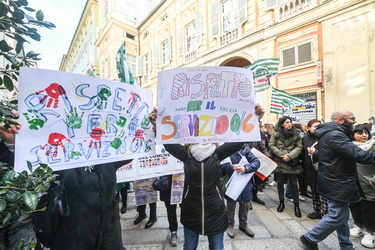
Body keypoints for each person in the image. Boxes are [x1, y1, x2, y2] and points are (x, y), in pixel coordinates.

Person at [149, 104, 264, 250]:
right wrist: (158, 125)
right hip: (191, 210)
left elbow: (239, 141)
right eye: (198, 129)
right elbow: (168, 143)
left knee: (217, 248)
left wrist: (254, 120)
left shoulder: (218, 154)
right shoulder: (186, 155)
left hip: (215, 211)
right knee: (189, 248)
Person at [300, 110, 375, 250]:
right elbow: (358, 155)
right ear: (341, 120)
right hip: (337, 181)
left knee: (342, 215)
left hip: (336, 180)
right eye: (352, 118)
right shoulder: (335, 135)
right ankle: (310, 238)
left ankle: (346, 245)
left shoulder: (334, 133)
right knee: (337, 216)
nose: (354, 121)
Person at [220, 144, 260, 238]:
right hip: (231, 180)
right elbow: (220, 165)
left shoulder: (245, 149)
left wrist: (245, 168)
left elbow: (256, 162)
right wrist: (231, 167)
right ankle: (230, 225)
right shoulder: (226, 149)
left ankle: (243, 225)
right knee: (231, 205)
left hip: (245, 181)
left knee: (245, 204)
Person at [269, 116, 303, 218]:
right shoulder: (276, 134)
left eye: (290, 122)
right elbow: (271, 145)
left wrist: (289, 156)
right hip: (280, 162)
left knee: (293, 184)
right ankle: (281, 202)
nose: (290, 124)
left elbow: (299, 146)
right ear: (282, 124)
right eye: (287, 122)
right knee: (280, 183)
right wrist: (281, 154)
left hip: (292, 162)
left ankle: (296, 205)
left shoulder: (296, 134)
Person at [349, 124, 375, 248]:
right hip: (353, 182)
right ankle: (359, 226)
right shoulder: (349, 147)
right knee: (355, 205)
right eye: (360, 133)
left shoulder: (373, 146)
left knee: (369, 208)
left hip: (368, 183)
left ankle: (370, 232)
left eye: (366, 132)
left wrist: (373, 179)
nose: (364, 135)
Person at [301, 119, 327, 220]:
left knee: (323, 194)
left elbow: (328, 154)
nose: (318, 129)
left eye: (320, 126)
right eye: (316, 126)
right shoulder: (304, 139)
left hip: (321, 170)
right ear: (308, 128)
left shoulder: (325, 138)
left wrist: (315, 152)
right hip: (309, 170)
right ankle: (317, 211)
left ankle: (325, 213)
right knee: (314, 192)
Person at [159, 174, 179, 246]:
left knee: (186, 208)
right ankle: (173, 231)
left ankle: (189, 231)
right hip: (167, 181)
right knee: (171, 211)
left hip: (182, 180)